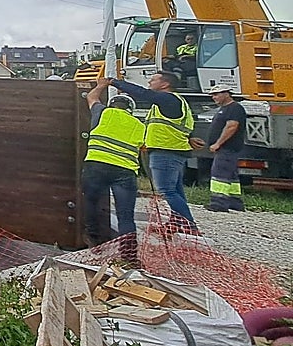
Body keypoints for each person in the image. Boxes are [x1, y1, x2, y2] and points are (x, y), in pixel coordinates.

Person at [102, 71, 205, 233]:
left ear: (165, 84)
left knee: (167, 191)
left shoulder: (167, 99)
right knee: (175, 190)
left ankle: (189, 226)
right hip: (174, 150)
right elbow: (177, 126)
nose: (150, 82)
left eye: (154, 79)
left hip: (166, 151)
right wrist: (190, 137)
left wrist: (114, 82)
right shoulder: (173, 102)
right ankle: (176, 223)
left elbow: (143, 93)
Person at [81, 80, 145, 260]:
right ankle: (129, 255)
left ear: (112, 104)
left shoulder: (102, 112)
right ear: (130, 110)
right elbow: (145, 147)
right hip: (125, 172)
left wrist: (102, 85)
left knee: (91, 203)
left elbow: (91, 97)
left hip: (96, 166)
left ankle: (94, 240)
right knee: (125, 215)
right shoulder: (139, 125)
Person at [205, 84, 247, 212]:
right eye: (212, 95)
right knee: (231, 176)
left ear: (226, 94)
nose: (213, 97)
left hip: (227, 148)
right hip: (227, 149)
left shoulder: (234, 108)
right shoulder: (225, 109)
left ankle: (219, 203)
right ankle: (235, 202)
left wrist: (218, 143)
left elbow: (231, 127)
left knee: (220, 175)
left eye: (216, 94)